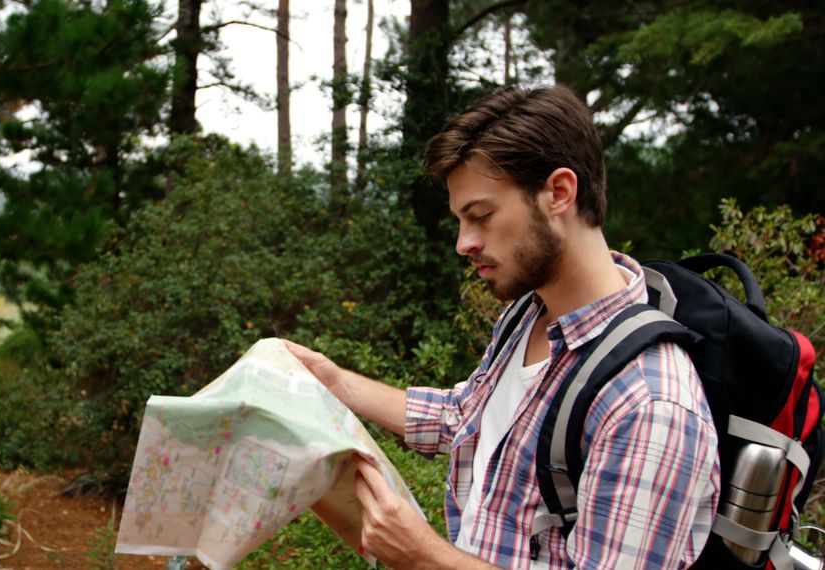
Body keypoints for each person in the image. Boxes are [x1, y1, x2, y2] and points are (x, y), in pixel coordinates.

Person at [285, 85, 720, 569]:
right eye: (460, 220)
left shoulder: (650, 402)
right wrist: (338, 383)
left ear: (559, 193)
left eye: (482, 216)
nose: (464, 243)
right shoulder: (529, 313)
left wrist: (424, 558)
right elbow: (465, 417)